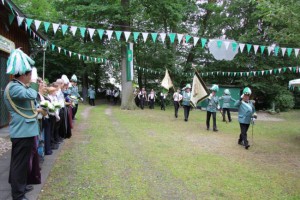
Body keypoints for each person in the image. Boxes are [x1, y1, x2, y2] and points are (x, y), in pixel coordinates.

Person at [4, 49, 46, 200]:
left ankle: (20, 186)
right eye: (30, 75)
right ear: (24, 74)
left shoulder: (18, 86)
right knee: (19, 164)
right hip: (22, 131)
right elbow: (31, 95)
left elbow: (27, 106)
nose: (31, 78)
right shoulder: (14, 87)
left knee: (21, 163)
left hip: (26, 130)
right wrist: (35, 82)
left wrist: (38, 110)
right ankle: (18, 194)